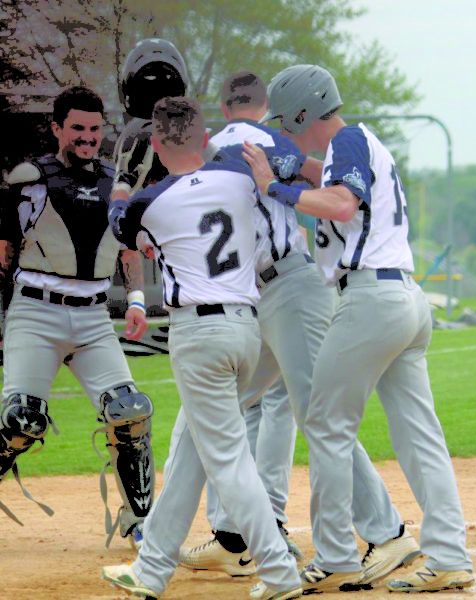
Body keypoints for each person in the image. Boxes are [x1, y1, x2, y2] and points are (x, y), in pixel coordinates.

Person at [179, 70, 421, 588]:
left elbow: (323, 184)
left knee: (316, 415)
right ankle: (238, 537)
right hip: (264, 291)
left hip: (284, 288)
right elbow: (314, 172)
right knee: (232, 407)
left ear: (223, 108)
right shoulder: (272, 139)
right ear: (264, 107)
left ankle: (387, 530)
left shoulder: (228, 144)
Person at [242, 64, 474, 593]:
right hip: (403, 299)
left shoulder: (348, 138)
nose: (286, 129)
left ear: (303, 110)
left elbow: (343, 203)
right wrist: (299, 167)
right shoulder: (359, 143)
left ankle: (337, 557)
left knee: (323, 421)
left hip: (370, 299)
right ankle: (449, 555)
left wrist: (274, 185)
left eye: (288, 120)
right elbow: (331, 179)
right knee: (420, 436)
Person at [101, 96, 303, 600]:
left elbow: (120, 224)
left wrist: (124, 179)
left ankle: (279, 573)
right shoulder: (237, 175)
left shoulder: (154, 198)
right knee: (194, 451)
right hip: (246, 326)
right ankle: (152, 569)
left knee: (228, 460)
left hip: (199, 333)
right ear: (205, 134)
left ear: (157, 143)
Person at [0, 85, 153, 548]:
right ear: (57, 128)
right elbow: (5, 251)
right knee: (21, 421)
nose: (87, 137)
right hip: (35, 312)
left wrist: (138, 299)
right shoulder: (30, 180)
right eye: (77, 129)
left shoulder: (117, 184)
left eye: (93, 128)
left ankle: (140, 522)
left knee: (129, 413)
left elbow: (128, 248)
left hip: (92, 319)